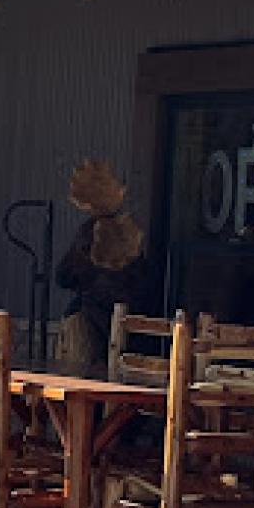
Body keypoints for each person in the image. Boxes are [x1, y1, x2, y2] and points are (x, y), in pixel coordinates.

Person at [55, 159, 158, 373]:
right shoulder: (131, 233)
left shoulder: (90, 233)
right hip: (133, 331)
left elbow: (63, 276)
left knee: (79, 383)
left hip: (93, 326)